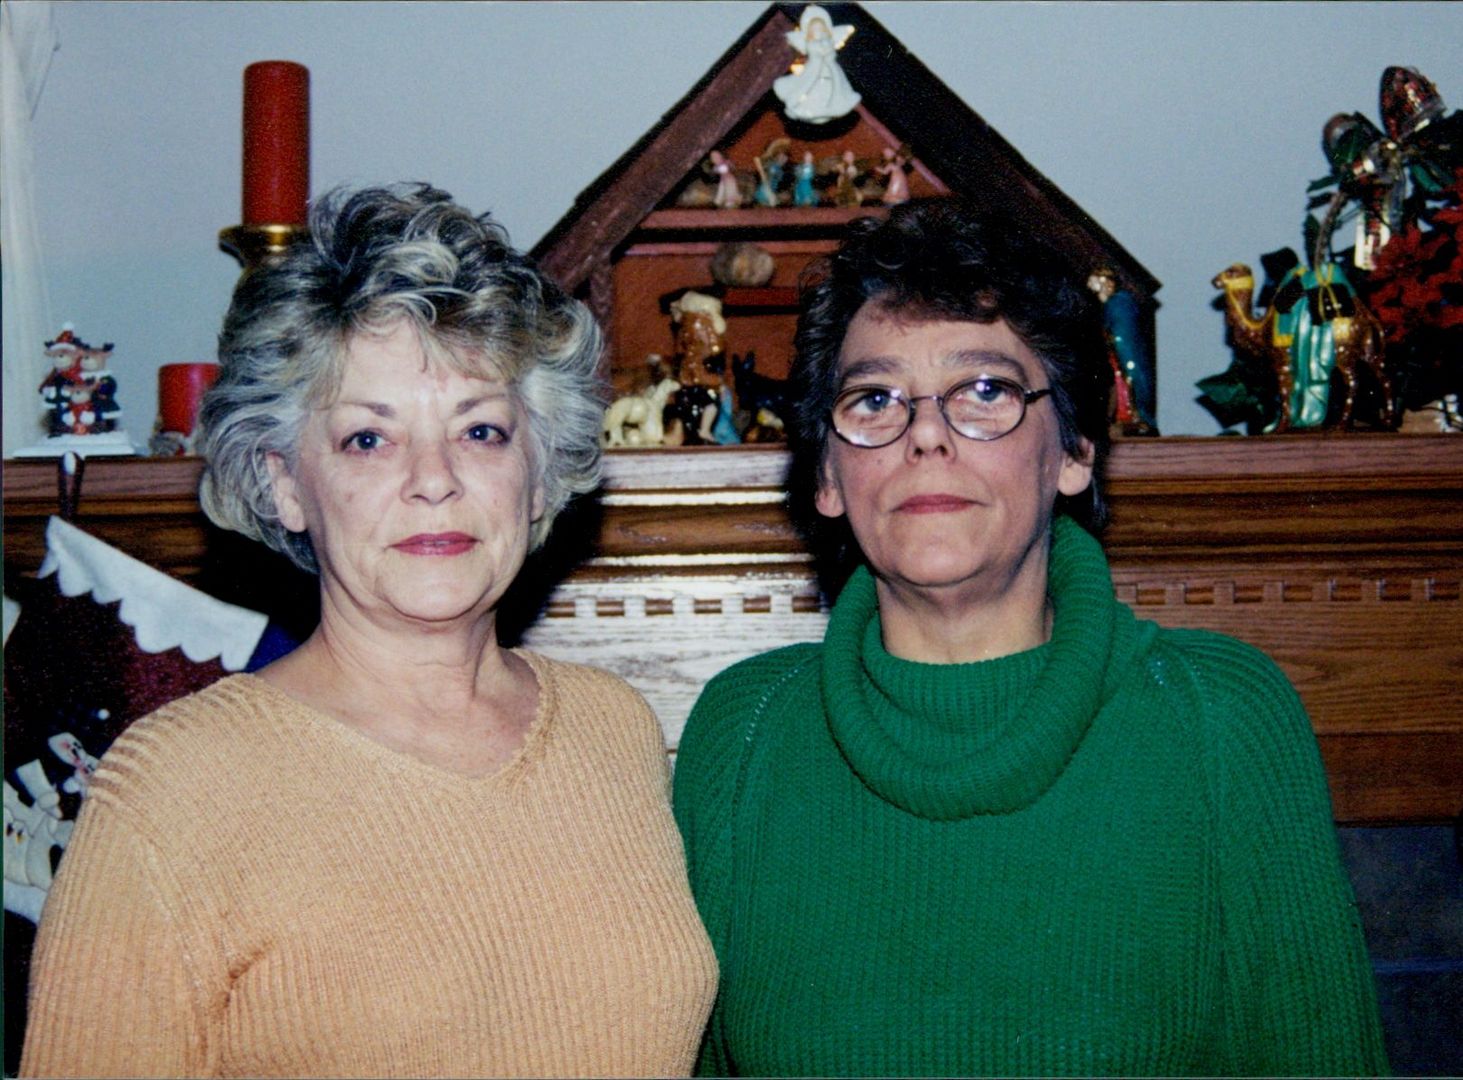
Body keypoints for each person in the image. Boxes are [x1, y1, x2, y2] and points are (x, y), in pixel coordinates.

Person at [672, 198, 1387, 1077]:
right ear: (827, 472)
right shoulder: (746, 731)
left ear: (1074, 450)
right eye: (874, 399)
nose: (924, 435)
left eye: (984, 391)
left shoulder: (1219, 719)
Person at [21, 184, 718, 1078]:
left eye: (480, 430)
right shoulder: (172, 790)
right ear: (283, 483)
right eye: (367, 439)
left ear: (540, 472)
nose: (434, 478)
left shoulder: (614, 728)